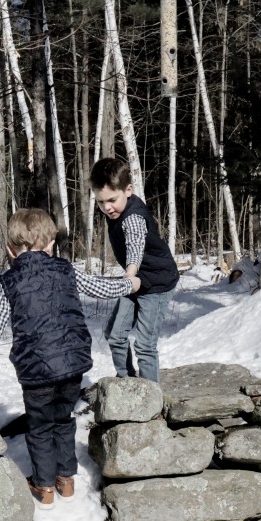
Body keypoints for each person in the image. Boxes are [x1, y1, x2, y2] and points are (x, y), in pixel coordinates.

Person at [0, 208, 140, 510]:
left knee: (40, 425)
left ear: (10, 250)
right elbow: (102, 288)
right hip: (72, 367)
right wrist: (129, 284)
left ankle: (44, 487)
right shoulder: (66, 269)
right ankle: (67, 480)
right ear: (51, 245)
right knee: (63, 419)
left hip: (36, 372)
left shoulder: (9, 282)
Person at [90, 157, 179, 382]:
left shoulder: (134, 217)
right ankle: (127, 382)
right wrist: (132, 279)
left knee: (145, 344)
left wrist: (130, 273)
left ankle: (150, 398)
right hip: (137, 281)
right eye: (100, 202)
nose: (106, 207)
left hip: (156, 283)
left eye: (111, 200)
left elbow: (136, 244)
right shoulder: (117, 211)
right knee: (115, 335)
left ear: (128, 190)